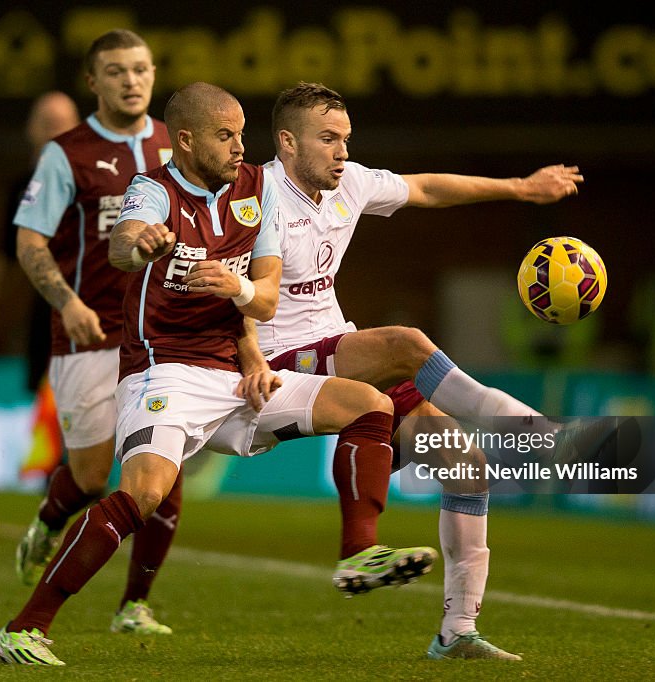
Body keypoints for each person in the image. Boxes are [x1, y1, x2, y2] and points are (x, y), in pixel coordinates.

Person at [0, 82, 435, 666]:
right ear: (186, 140)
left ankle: (358, 554)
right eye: (225, 136)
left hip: (234, 374)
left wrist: (244, 313)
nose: (238, 147)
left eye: (242, 134)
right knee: (143, 494)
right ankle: (24, 628)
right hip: (163, 372)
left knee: (370, 407)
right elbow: (124, 247)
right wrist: (141, 242)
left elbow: (267, 297)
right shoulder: (152, 189)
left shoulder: (257, 190)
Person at [259, 82, 588, 661]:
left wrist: (519, 188)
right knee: (405, 342)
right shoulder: (252, 194)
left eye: (346, 139)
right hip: (281, 360)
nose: (342, 151)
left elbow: (427, 188)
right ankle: (525, 425)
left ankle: (456, 633)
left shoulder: (351, 184)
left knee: (466, 465)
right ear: (287, 143)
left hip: (338, 347)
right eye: (328, 139)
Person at [7, 29, 181, 638]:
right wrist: (66, 301)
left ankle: (134, 604)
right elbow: (28, 241)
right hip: (89, 336)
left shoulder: (173, 143)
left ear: (153, 73)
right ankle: (50, 517)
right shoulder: (68, 153)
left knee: (162, 468)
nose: (130, 81)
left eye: (139, 69)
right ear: (93, 81)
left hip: (161, 339)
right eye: (115, 71)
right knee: (89, 477)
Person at [0, 91, 79, 484]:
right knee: (48, 387)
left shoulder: (91, 180)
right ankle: (59, 476)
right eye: (46, 123)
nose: (53, 131)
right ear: (31, 130)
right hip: (47, 307)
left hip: (96, 303)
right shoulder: (22, 187)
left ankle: (79, 473)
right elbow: (6, 250)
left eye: (61, 123)